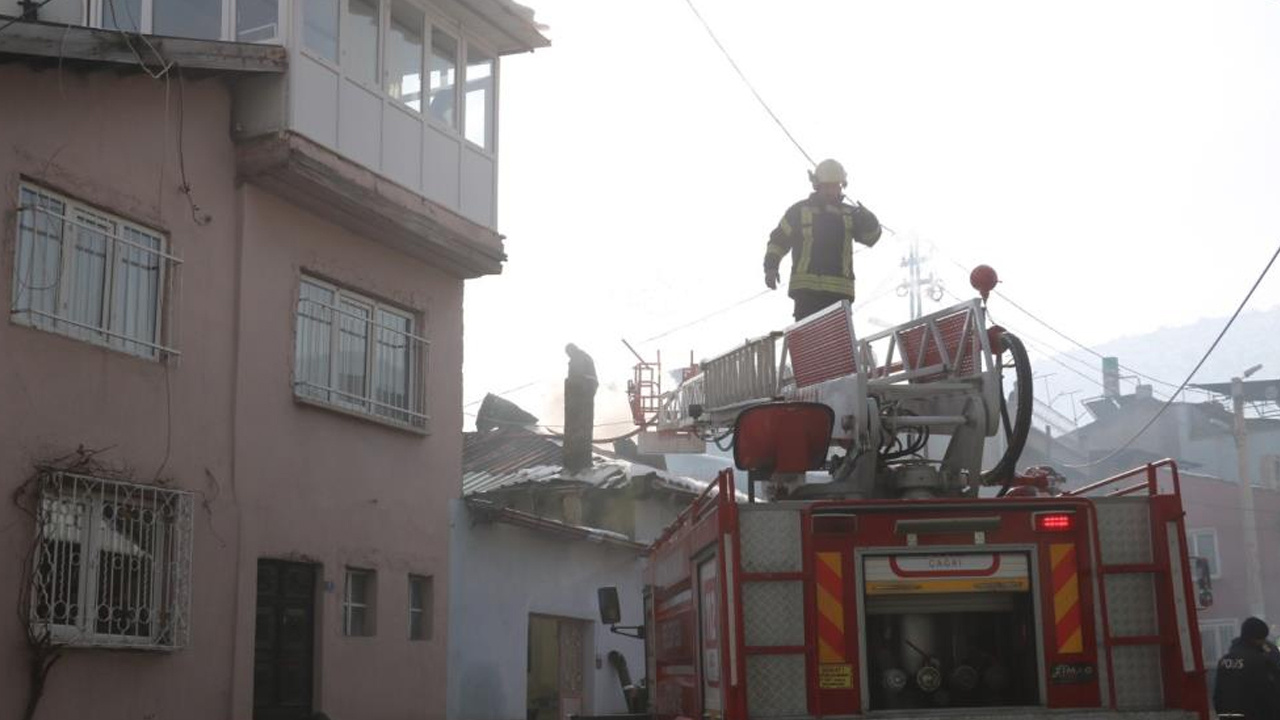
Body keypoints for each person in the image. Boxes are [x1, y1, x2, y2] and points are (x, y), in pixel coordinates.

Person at [764, 159, 882, 321]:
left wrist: (869, 220)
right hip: (807, 294)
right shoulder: (799, 211)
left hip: (840, 295)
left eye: (835, 186)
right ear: (817, 185)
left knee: (836, 345)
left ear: (841, 186)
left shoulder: (850, 214)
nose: (831, 191)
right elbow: (778, 241)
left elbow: (871, 238)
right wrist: (771, 267)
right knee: (810, 344)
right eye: (827, 186)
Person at [1213, 616, 1280, 720]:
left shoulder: (1224, 661)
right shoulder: (1261, 661)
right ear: (1258, 638)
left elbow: (1217, 696)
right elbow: (1271, 695)